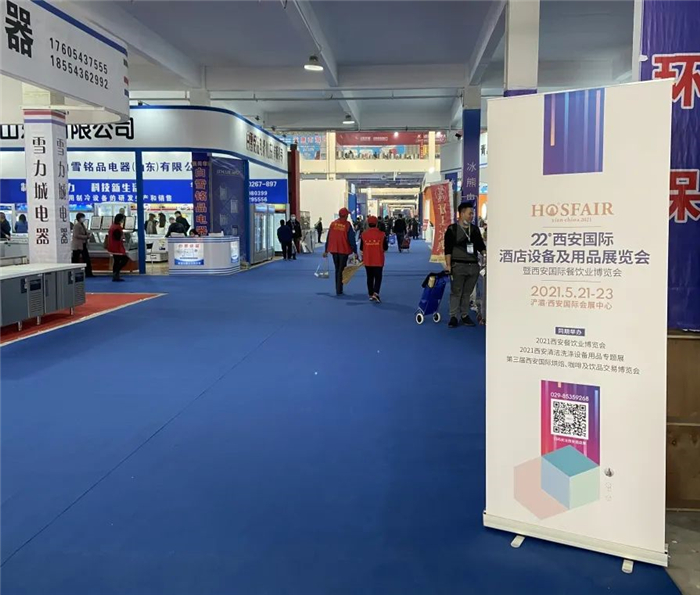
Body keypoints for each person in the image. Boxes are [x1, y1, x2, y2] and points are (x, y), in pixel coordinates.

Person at [444, 203, 486, 328]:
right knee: (456, 291)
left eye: (472, 213)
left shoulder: (474, 229)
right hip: (457, 265)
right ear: (462, 214)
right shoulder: (452, 229)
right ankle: (453, 316)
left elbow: (480, 245)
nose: (472, 216)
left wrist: (485, 254)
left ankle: (464, 315)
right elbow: (448, 249)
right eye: (470, 213)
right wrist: (448, 265)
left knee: (467, 293)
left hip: (473, 266)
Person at [323, 207, 357, 296]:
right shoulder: (347, 225)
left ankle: (338, 288)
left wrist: (326, 250)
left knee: (337, 269)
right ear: (345, 216)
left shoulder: (333, 224)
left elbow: (328, 237)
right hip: (343, 250)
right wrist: (355, 251)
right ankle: (339, 289)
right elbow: (351, 239)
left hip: (334, 250)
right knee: (341, 269)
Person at [360, 215, 388, 302]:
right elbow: (385, 247)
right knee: (378, 277)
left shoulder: (363, 235)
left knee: (369, 277)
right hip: (378, 259)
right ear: (376, 224)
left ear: (368, 224)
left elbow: (361, 248)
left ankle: (370, 294)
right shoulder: (382, 234)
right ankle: (376, 293)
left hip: (368, 259)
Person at [107, 213, 129, 282]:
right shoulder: (117, 228)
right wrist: (122, 237)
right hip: (117, 247)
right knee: (124, 259)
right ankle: (116, 272)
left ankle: (115, 275)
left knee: (116, 261)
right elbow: (117, 237)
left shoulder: (113, 226)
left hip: (113, 246)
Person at [71, 213, 94, 277]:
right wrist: (86, 237)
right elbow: (76, 235)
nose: (83, 219)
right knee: (76, 259)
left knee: (86, 259)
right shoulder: (76, 226)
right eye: (82, 217)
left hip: (82, 244)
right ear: (79, 218)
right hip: (78, 245)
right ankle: (74, 273)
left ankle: (88, 273)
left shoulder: (82, 225)